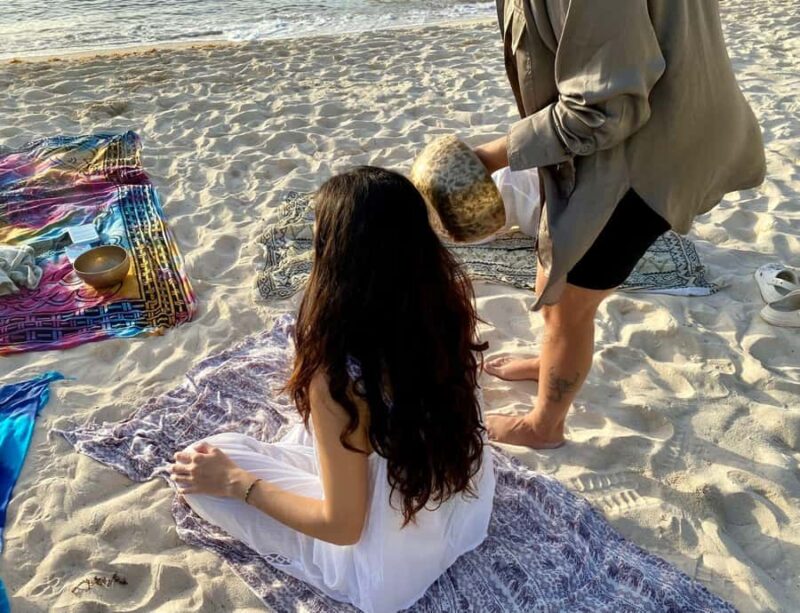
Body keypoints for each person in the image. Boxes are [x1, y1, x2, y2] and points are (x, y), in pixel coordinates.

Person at [169, 167, 495, 613]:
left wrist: (236, 483)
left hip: (387, 571)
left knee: (205, 464)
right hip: (462, 517)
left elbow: (343, 528)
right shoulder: (444, 307)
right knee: (322, 443)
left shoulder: (339, 377)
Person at [473, 0, 766, 449]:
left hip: (653, 153)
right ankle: (552, 359)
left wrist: (489, 157)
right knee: (554, 278)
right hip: (649, 124)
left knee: (569, 303)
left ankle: (544, 426)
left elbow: (605, 110)